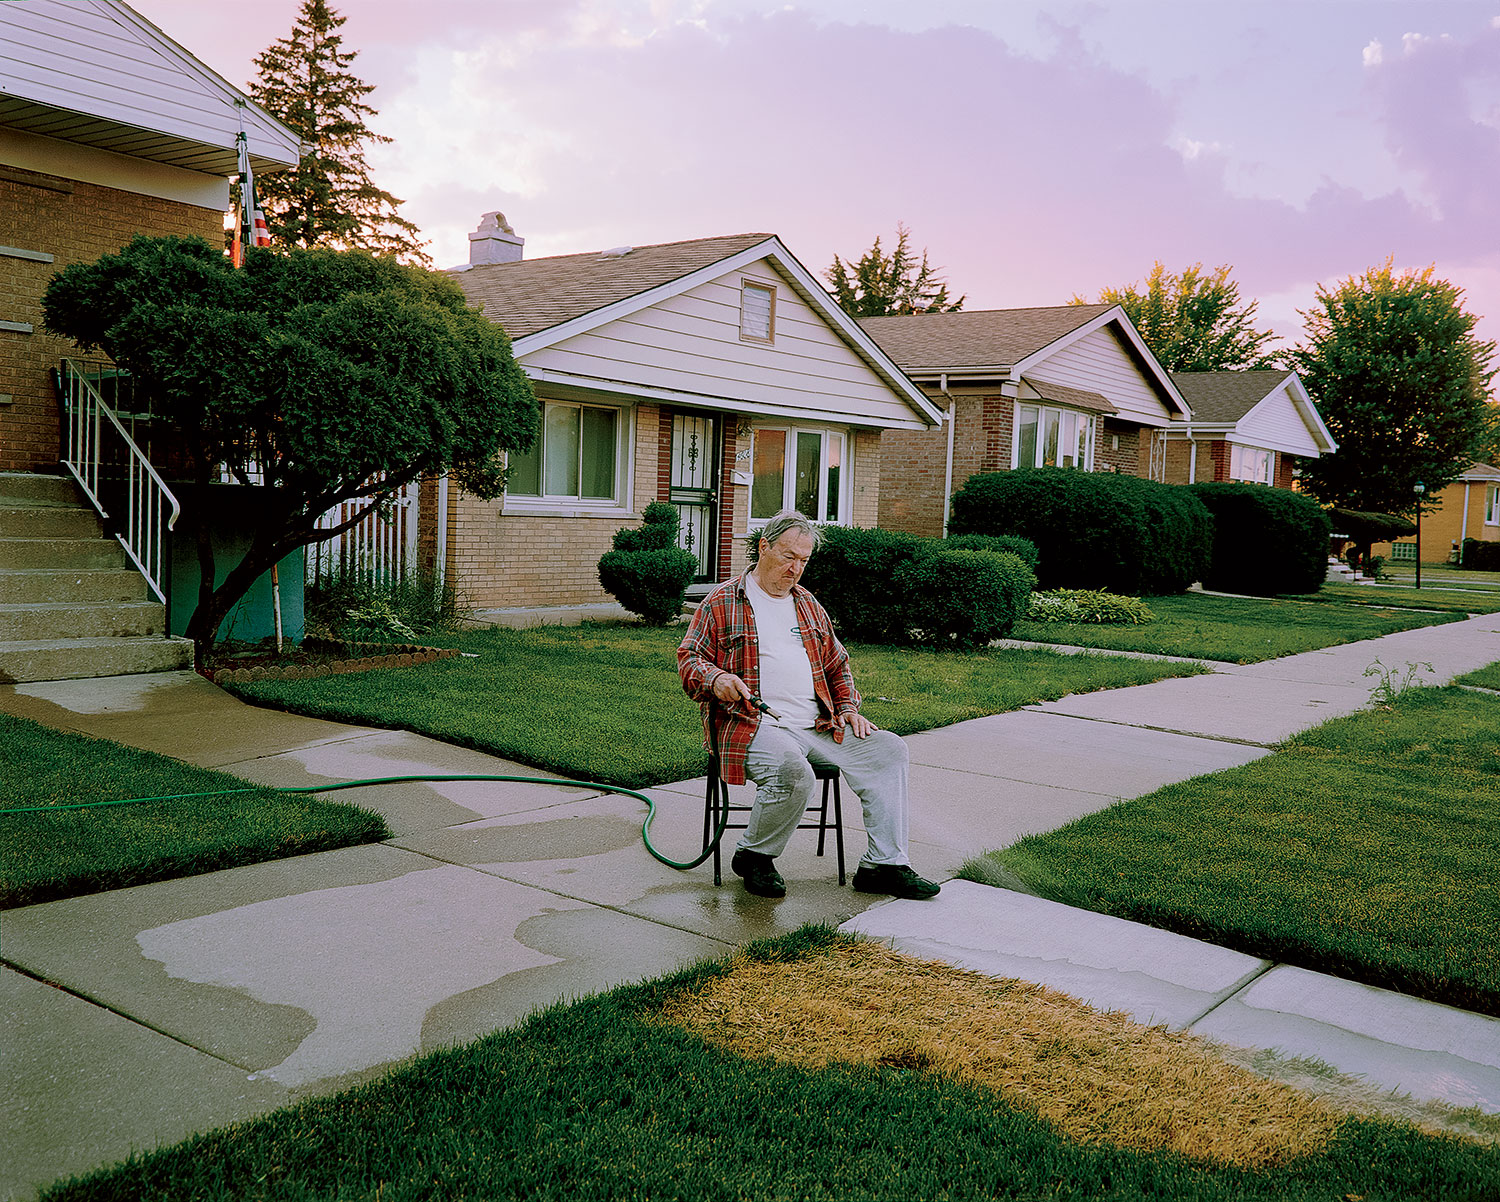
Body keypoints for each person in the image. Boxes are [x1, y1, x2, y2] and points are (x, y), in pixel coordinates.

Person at [677, 510, 940, 901]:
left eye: (803, 560)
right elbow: (689, 658)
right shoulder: (722, 602)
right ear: (764, 547)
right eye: (788, 556)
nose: (795, 568)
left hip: (817, 726)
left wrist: (848, 707)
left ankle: (883, 865)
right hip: (752, 725)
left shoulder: (809, 605)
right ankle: (755, 856)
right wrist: (716, 679)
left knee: (888, 750)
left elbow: (837, 664)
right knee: (792, 770)